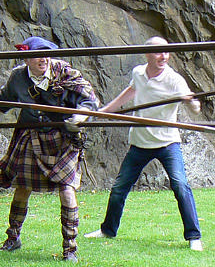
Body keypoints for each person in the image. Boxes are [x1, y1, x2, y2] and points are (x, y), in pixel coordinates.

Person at [0, 36, 99, 262]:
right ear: (26, 58)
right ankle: (13, 237)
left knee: (66, 190)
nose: (43, 59)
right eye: (37, 55)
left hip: (63, 139)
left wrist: (79, 116)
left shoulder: (65, 74)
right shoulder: (18, 77)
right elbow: (4, 100)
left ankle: (70, 248)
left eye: (46, 54)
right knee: (22, 187)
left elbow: (90, 101)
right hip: (31, 135)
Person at [85, 36, 203, 251]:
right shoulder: (138, 73)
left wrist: (190, 102)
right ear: (147, 54)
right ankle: (107, 230)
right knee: (120, 187)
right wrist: (104, 112)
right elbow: (130, 92)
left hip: (168, 143)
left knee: (180, 185)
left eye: (167, 52)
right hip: (140, 142)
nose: (164, 56)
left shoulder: (175, 80)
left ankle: (194, 237)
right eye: (159, 52)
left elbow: (195, 108)